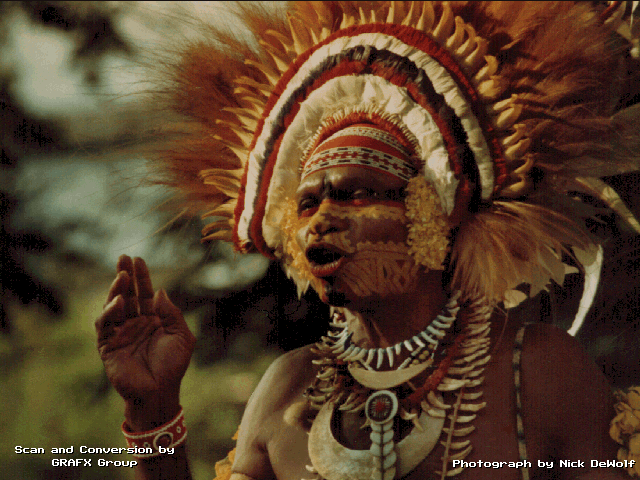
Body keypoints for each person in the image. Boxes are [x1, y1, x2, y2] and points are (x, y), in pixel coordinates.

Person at [95, 2, 640, 480]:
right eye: (307, 203)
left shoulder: (538, 370)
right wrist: (152, 409)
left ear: (434, 212)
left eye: (357, 194)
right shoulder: (287, 388)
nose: (321, 220)